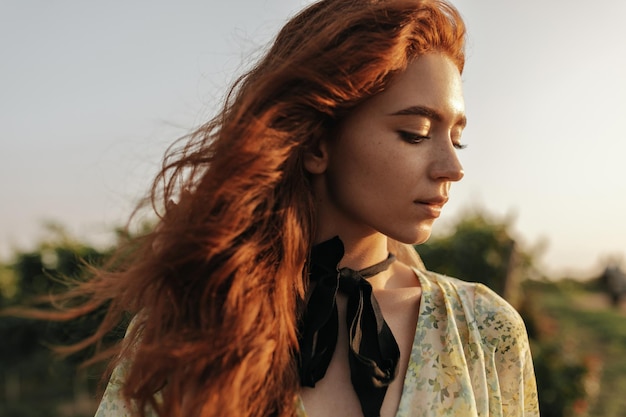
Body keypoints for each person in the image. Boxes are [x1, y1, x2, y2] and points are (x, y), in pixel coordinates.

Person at [36, 0, 539, 416]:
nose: (452, 167)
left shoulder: (486, 329)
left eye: (458, 139)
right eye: (416, 134)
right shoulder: (195, 322)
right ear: (317, 142)